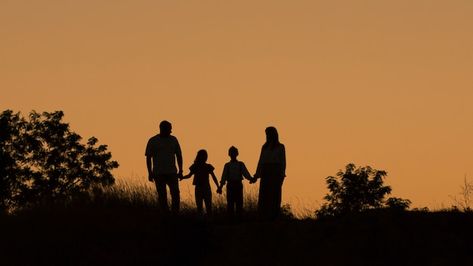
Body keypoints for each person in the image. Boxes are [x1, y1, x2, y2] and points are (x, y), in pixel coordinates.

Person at [145, 120, 183, 214]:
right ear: (162, 128)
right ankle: (165, 215)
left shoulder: (174, 140)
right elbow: (148, 157)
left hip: (172, 172)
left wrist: (181, 170)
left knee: (175, 194)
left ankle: (175, 214)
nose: (170, 131)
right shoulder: (153, 141)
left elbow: (179, 155)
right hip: (159, 173)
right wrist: (150, 172)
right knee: (162, 195)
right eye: (169, 129)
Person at [254, 126, 286, 219]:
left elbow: (283, 162)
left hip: (275, 172)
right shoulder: (264, 147)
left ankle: (274, 216)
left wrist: (282, 174)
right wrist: (257, 174)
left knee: (275, 195)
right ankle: (263, 216)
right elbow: (261, 161)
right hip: (265, 172)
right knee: (264, 196)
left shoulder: (280, 147)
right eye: (266, 134)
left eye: (268, 134)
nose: (267, 136)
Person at [217, 146, 254, 218]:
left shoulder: (240, 164)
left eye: (233, 153)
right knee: (230, 204)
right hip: (231, 185)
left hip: (237, 185)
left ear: (237, 154)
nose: (232, 154)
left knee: (239, 203)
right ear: (229, 154)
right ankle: (232, 220)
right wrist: (220, 187)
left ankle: (238, 220)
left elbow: (246, 174)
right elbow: (223, 177)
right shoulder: (227, 165)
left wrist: (251, 179)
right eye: (231, 153)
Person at [181, 149, 219, 215]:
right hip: (204, 188)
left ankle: (203, 221)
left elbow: (189, 175)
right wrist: (218, 186)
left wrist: (182, 177)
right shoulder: (203, 166)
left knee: (202, 207)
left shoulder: (198, 166)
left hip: (201, 188)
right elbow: (214, 177)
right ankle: (206, 221)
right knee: (206, 206)